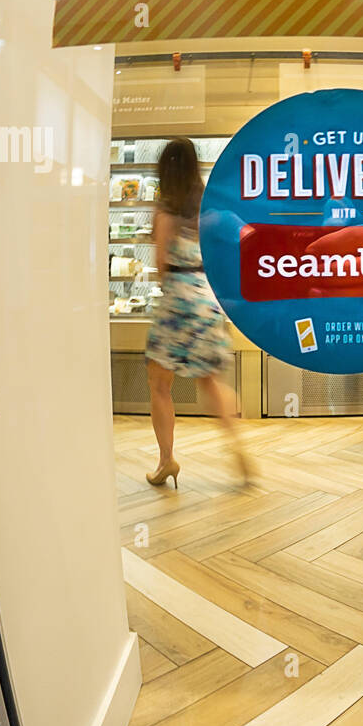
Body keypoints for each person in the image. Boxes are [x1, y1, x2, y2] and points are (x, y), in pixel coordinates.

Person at [145, 138, 254, 488]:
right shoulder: (209, 206)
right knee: (211, 380)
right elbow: (240, 238)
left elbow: (161, 264)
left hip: (177, 299)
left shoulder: (164, 210)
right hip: (206, 298)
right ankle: (237, 445)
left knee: (160, 385)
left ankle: (166, 461)